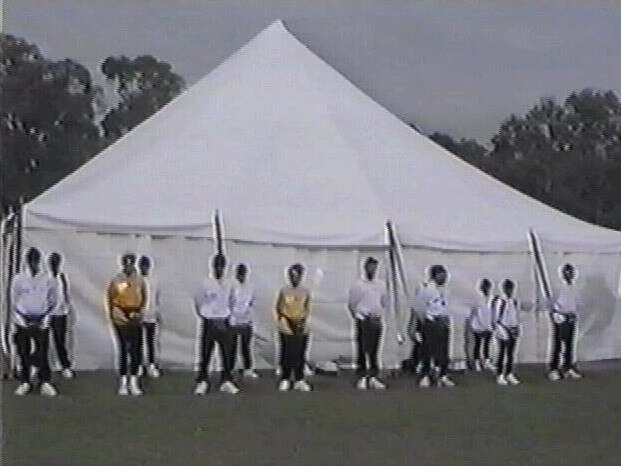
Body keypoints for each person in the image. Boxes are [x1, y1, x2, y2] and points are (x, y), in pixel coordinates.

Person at [11, 247, 59, 396]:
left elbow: (53, 300)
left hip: (41, 318)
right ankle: (25, 381)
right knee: (23, 351)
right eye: (30, 261)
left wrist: (47, 318)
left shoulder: (48, 279)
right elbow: (14, 299)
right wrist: (19, 318)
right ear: (27, 261)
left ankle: (44, 381)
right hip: (23, 319)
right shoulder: (19, 278)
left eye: (35, 261)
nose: (33, 264)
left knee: (42, 351)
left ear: (39, 261)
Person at [193, 254, 239, 395]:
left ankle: (226, 380)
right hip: (209, 321)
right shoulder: (205, 282)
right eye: (216, 266)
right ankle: (203, 380)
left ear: (224, 267)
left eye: (221, 266)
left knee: (226, 353)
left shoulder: (230, 283)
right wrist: (207, 317)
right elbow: (198, 301)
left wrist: (227, 318)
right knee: (206, 353)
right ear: (212, 267)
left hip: (224, 321)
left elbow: (232, 301)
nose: (218, 269)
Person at [106, 253, 146, 396]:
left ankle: (134, 381)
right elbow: (110, 298)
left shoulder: (140, 280)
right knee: (123, 349)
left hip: (135, 316)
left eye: (131, 263)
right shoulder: (116, 280)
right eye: (126, 264)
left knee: (136, 350)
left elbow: (144, 297)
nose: (128, 266)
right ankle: (123, 381)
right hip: (120, 316)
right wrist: (114, 315)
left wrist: (140, 313)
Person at [347, 257, 388, 390]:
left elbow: (384, 301)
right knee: (363, 349)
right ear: (365, 268)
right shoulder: (358, 285)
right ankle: (362, 376)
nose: (372, 270)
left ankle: (374, 377)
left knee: (374, 349)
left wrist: (377, 314)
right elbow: (352, 303)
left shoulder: (381, 285)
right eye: (370, 267)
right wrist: (359, 316)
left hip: (375, 319)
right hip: (363, 319)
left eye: (374, 267)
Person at [416, 265, 456, 388]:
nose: (444, 276)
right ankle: (426, 375)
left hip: (443, 323)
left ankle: (443, 375)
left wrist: (447, 319)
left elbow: (446, 307)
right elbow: (420, 307)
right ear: (435, 275)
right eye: (441, 274)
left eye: (445, 274)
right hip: (431, 322)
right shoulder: (427, 289)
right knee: (428, 350)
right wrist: (427, 320)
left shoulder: (446, 290)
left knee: (444, 350)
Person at [275, 263, 312, 392]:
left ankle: (299, 379)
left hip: (300, 323)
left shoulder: (305, 291)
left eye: (297, 276)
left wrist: (303, 320)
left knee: (300, 352)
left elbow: (307, 307)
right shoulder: (284, 290)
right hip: (287, 322)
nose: (295, 278)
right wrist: (284, 320)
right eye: (292, 276)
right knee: (287, 351)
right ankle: (285, 378)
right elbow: (279, 307)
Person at [547, 263, 583, 381]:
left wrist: (574, 314)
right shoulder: (557, 288)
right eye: (566, 273)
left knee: (569, 344)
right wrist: (556, 315)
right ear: (562, 274)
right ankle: (553, 369)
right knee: (557, 344)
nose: (569, 275)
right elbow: (550, 305)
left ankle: (568, 367)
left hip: (571, 318)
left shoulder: (575, 288)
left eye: (571, 272)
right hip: (560, 319)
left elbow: (578, 304)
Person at [48, 252, 75, 379]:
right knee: (42, 342)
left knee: (60, 341)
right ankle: (38, 366)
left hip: (60, 314)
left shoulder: (62, 277)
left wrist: (67, 309)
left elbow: (65, 294)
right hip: (46, 314)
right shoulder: (46, 278)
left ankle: (64, 365)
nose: (54, 264)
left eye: (56, 262)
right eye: (52, 262)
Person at [229, 263, 259, 378]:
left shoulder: (250, 287)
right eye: (239, 274)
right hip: (233, 320)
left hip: (246, 320)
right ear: (236, 274)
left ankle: (248, 368)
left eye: (243, 274)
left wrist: (250, 317)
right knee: (232, 347)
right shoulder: (232, 286)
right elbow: (229, 303)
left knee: (246, 346)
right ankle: (230, 368)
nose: (241, 276)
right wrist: (231, 317)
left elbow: (253, 303)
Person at [494, 279, 521, 386]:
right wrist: (501, 330)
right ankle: (500, 374)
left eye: (511, 288)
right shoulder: (501, 301)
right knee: (501, 353)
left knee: (511, 354)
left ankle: (509, 373)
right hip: (503, 329)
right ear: (504, 289)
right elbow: (496, 318)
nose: (510, 290)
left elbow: (516, 316)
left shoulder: (514, 301)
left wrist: (517, 328)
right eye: (507, 288)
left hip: (512, 329)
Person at [138, 255, 162, 378]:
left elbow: (156, 298)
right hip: (139, 316)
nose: (144, 268)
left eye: (146, 266)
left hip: (151, 315)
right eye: (142, 266)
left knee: (151, 341)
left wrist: (157, 313)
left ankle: (152, 364)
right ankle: (139, 365)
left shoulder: (154, 281)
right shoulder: (136, 280)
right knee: (139, 342)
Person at [469, 278, 495, 372]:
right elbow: (475, 313)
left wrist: (491, 324)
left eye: (487, 287)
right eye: (484, 287)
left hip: (488, 325)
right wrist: (478, 325)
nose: (486, 288)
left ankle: (487, 362)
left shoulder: (492, 299)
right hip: (478, 325)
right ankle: (476, 362)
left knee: (487, 344)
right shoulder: (477, 299)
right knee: (478, 344)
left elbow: (493, 312)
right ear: (481, 288)